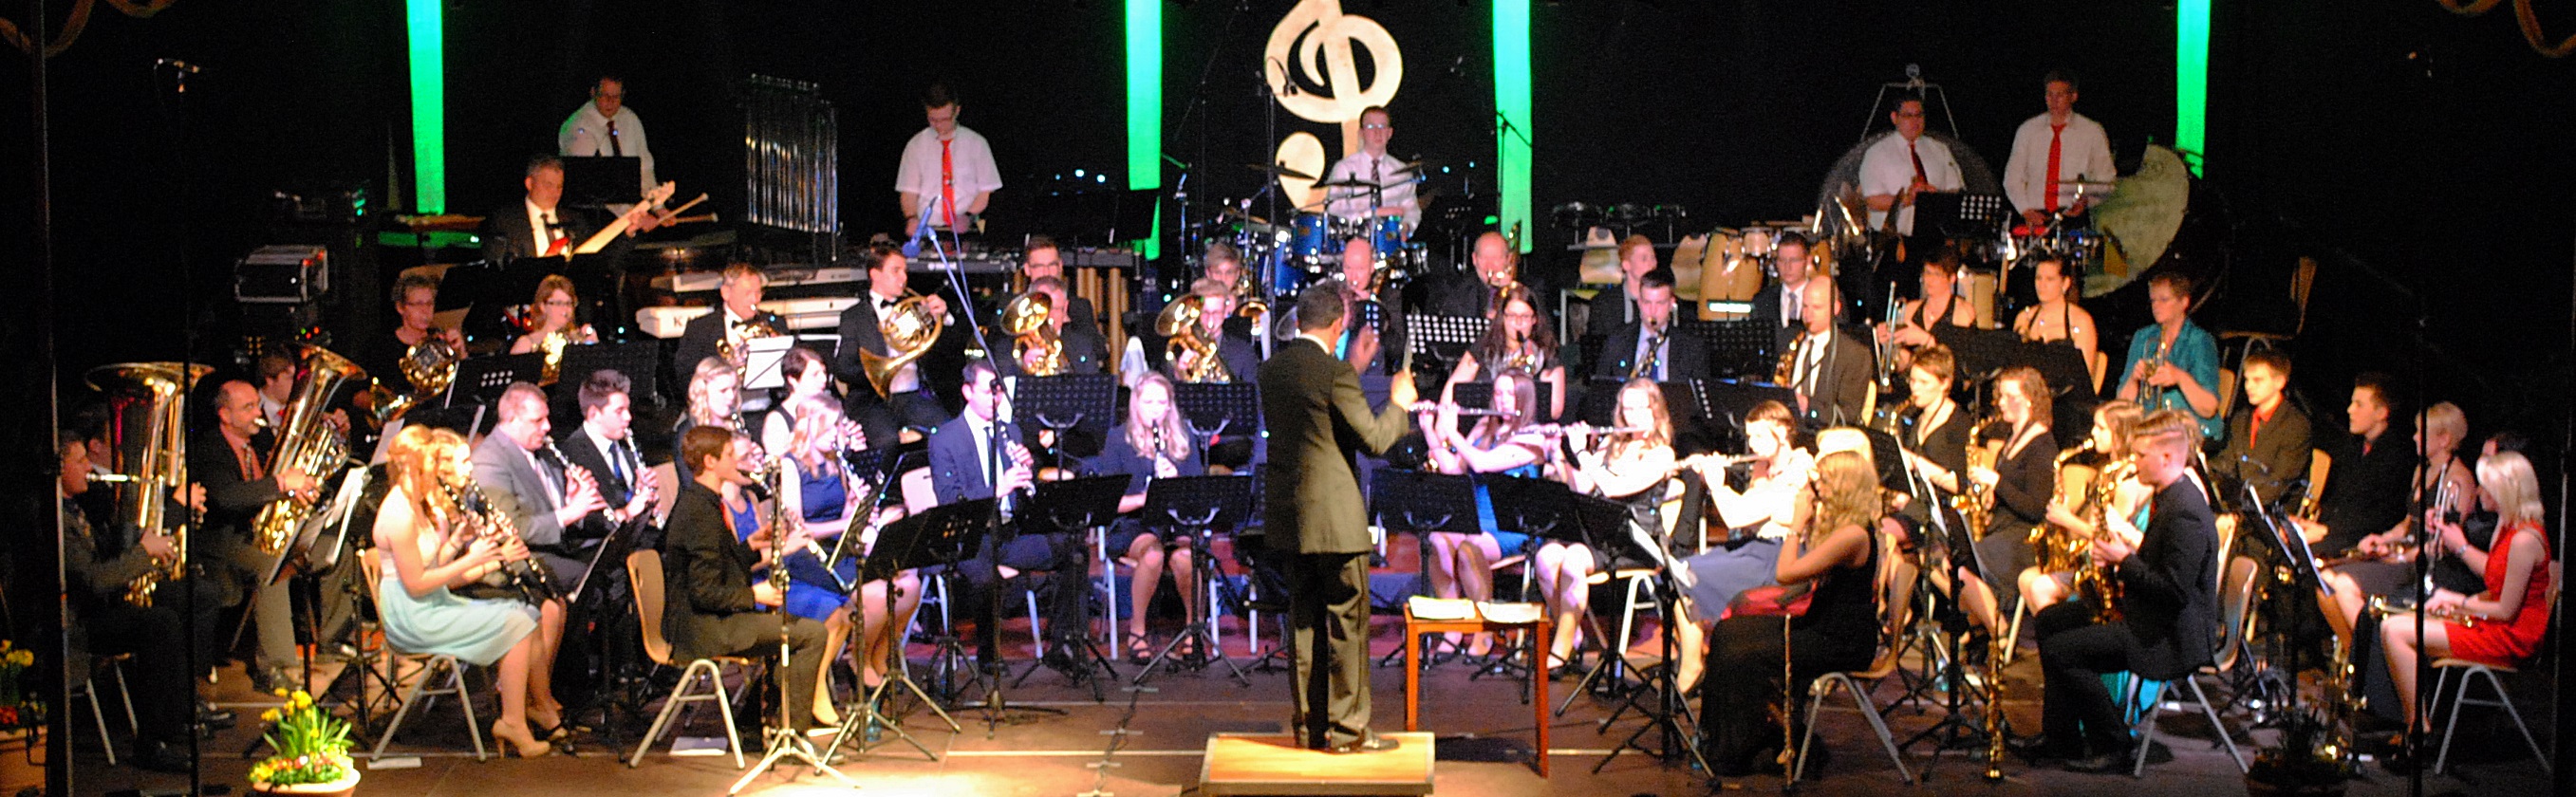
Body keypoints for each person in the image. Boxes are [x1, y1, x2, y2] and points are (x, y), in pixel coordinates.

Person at [1261, 280, 1419, 753]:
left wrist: (1355, 370)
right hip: (1336, 523)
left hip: (1292, 518)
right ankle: (1350, 731)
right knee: (1347, 627)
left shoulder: (1272, 370)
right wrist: (1399, 404)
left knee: (1303, 624)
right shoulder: (1335, 373)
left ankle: (1309, 728)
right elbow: (1374, 439)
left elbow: (1321, 425)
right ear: (1337, 326)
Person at [2016, 409, 2220, 772]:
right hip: (2146, 612)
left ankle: (2113, 743)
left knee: (2064, 652)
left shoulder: (2185, 511)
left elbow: (2172, 591)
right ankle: (2061, 738)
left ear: (2167, 457)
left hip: (2167, 634)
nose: (2134, 462)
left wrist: (2122, 560)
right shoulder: (2169, 496)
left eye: (2141, 455)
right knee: (2050, 621)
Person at [372, 425, 567, 756]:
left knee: (531, 615)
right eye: (432, 465)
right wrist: (472, 559)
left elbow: (433, 565)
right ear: (415, 467)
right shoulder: (398, 515)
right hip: (413, 616)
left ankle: (537, 708)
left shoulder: (417, 504)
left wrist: (457, 543)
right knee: (518, 623)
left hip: (432, 601)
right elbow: (416, 583)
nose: (438, 474)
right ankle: (513, 721)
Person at [1699, 448, 1884, 776]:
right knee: (1728, 632)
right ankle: (1718, 737)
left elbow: (1786, 573)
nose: (1815, 488)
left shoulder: (1853, 535)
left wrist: (1797, 524)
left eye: (1823, 481)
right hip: (1820, 624)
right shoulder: (1846, 527)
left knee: (1742, 655)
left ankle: (1744, 745)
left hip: (1840, 639)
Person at [2377, 451, 2552, 770]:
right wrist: (2456, 603)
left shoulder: (2525, 539)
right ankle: (2417, 725)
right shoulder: (2507, 527)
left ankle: (2418, 731)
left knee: (2396, 630)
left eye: (2486, 486)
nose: (2480, 491)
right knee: (2398, 622)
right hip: (2494, 624)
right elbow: (2496, 585)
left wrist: (2458, 601)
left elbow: (2506, 609)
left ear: (2504, 490)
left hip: (2511, 636)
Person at [60, 431, 224, 771]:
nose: (89, 467)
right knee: (159, 623)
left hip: (101, 607)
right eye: (80, 461)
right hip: (76, 623)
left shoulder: (79, 506)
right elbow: (94, 580)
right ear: (59, 467)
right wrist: (143, 554)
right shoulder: (57, 518)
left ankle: (180, 713)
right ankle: (153, 740)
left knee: (182, 603)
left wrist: (140, 540)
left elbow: (106, 550)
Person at [662, 426, 832, 732]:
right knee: (812, 634)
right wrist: (755, 595)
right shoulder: (699, 512)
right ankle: (791, 731)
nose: (737, 461)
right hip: (702, 627)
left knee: (793, 631)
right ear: (710, 462)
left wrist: (752, 544)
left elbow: (722, 564)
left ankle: (760, 724)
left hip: (712, 618)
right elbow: (704, 591)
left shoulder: (705, 503)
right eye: (730, 455)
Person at [928, 359, 1084, 666]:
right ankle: (988, 654)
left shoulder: (1010, 430)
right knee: (987, 579)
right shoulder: (945, 439)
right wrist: (998, 488)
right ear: (967, 392)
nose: (996, 398)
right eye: (989, 391)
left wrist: (1028, 472)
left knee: (1073, 551)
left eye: (999, 391)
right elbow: (948, 499)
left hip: (1009, 531)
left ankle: (1062, 644)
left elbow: (1022, 491)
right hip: (971, 536)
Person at [1674, 399, 1815, 695]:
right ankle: (1696, 661)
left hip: (1781, 556)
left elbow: (1738, 515)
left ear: (1783, 431)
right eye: (1750, 436)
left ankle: (1695, 667)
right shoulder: (1763, 466)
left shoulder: (1800, 467)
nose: (1752, 444)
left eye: (1760, 436)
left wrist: (1717, 485)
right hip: (1756, 547)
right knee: (1681, 573)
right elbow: (1746, 515)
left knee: (1691, 576)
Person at [1416, 368, 1557, 658]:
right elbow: (1454, 469)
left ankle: (1484, 629)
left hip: (1511, 525)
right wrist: (1430, 430)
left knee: (1471, 548)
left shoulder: (1535, 437)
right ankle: (1453, 626)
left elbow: (1482, 463)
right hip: (1476, 520)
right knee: (1438, 541)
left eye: (1510, 394)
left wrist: (1452, 431)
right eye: (1498, 393)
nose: (1502, 400)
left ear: (1524, 398)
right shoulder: (1483, 429)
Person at [2312, 399, 2471, 645]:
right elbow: (2408, 523)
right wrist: (2384, 538)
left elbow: (2446, 543)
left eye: (2422, 432)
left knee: (2343, 584)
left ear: (2444, 439)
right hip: (2405, 557)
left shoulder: (2459, 480)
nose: (2415, 438)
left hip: (2424, 567)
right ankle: (2355, 651)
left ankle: (2375, 651)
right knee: (2325, 581)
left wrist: (2404, 555)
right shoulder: (2422, 471)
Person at [193, 380, 318, 692]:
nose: (258, 413)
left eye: (257, 405)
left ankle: (334, 640)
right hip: (220, 540)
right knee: (272, 568)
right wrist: (282, 484)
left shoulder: (259, 442)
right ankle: (275, 667)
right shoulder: (210, 448)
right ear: (225, 415)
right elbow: (227, 497)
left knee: (330, 547)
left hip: (252, 533)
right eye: (248, 407)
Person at [1553, 378, 1680, 675]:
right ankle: (1572, 637)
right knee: (1548, 557)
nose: (1632, 416)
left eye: (1640, 408)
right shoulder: (1612, 444)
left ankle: (1560, 651)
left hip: (1635, 540)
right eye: (1626, 409)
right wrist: (1563, 453)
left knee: (1573, 559)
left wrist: (1584, 454)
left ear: (1655, 410)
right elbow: (1583, 488)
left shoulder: (1662, 454)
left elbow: (1613, 489)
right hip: (1603, 534)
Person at [1084, 373, 1208, 661]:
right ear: (1136, 404)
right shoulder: (1119, 439)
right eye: (1148, 402)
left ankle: (1193, 632)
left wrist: (1175, 483)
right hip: (1134, 524)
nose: (1154, 409)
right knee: (1152, 555)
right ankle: (1136, 632)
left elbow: (1199, 496)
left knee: (1186, 558)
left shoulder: (1184, 437)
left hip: (1176, 523)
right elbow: (1110, 503)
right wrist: (1148, 495)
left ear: (1169, 406)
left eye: (1161, 403)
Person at [768, 396, 873, 726]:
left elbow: (842, 514)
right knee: (851, 598)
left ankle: (840, 669)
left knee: (878, 583)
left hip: (834, 547)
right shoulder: (790, 465)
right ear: (808, 427)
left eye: (837, 427)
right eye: (828, 428)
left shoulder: (835, 462)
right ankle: (814, 684)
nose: (835, 435)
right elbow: (797, 526)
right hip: (803, 553)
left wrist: (856, 506)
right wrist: (845, 522)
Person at [470, 382, 609, 596]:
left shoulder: (541, 450)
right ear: (512, 420)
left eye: (546, 418)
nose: (547, 427)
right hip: (524, 555)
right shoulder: (489, 461)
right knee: (590, 580)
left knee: (618, 560)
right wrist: (568, 514)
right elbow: (512, 528)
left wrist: (569, 500)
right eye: (537, 421)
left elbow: (550, 510)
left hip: (558, 545)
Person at [2019, 400, 2146, 613]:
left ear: (2121, 434)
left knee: (2040, 587)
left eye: (2101, 428)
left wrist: (2068, 520)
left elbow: (2110, 537)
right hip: (2090, 560)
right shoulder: (2107, 470)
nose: (2093, 433)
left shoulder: (2129, 479)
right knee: (2026, 578)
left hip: (2111, 572)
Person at [833, 244, 957, 447]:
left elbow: (948, 352)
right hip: (872, 401)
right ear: (875, 274)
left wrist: (943, 318)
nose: (903, 278)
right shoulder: (853, 317)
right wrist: (876, 374)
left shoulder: (916, 308)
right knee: (887, 440)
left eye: (905, 271)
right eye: (896, 271)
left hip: (912, 396)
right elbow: (843, 368)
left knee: (949, 432)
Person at [1965, 366, 2060, 615]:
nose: (2001, 403)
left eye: (2010, 397)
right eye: (2001, 396)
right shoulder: (2012, 437)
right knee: (1954, 552)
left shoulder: (2042, 446)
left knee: (1966, 564)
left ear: (2030, 400)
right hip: (2004, 527)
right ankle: (1985, 622)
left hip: (2024, 538)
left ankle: (1999, 626)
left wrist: (1997, 482)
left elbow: (2036, 508)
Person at [2114, 271, 2223, 440]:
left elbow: (2208, 408)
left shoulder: (2199, 341)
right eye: (2153, 301)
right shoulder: (2143, 337)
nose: (2156, 306)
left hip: (2189, 432)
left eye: (2164, 300)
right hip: (2149, 428)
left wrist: (2179, 377)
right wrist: (2134, 379)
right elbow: (2122, 403)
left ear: (2184, 302)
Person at [2004, 70, 2116, 231]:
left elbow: (2106, 180)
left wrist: (2086, 201)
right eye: (2050, 95)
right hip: (2034, 217)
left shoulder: (2091, 132)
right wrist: (2025, 209)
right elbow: (2012, 178)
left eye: (2060, 95)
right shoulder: (2028, 130)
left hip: (2072, 217)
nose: (2054, 101)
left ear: (2073, 96)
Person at [557, 369, 659, 538]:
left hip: (635, 535)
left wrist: (641, 493)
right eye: (619, 411)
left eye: (627, 409)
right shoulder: (572, 453)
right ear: (594, 414)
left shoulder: (626, 444)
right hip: (599, 543)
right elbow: (585, 522)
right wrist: (627, 512)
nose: (628, 417)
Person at [1444, 284, 1568, 420]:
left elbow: (1555, 409)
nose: (1518, 322)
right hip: (1487, 423)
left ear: (1535, 319)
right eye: (1512, 316)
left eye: (1525, 316)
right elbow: (1453, 387)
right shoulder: (1485, 346)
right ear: (1503, 317)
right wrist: (1442, 424)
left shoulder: (1546, 350)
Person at [2211, 350, 2311, 509]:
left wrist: (2237, 510)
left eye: (2257, 380)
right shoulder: (2242, 419)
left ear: (2279, 382)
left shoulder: (2295, 426)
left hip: (2271, 511)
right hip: (2242, 502)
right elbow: (2228, 462)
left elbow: (2279, 482)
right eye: (2247, 380)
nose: (2248, 386)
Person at [897, 83, 999, 232]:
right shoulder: (916, 145)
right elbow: (908, 191)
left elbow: (986, 190)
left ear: (957, 111)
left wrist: (967, 216)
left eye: (945, 120)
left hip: (967, 228)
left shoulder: (976, 143)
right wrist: (911, 218)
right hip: (928, 229)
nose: (939, 125)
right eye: (933, 120)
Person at [674, 263, 786, 398]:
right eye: (747, 293)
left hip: (768, 405)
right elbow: (685, 378)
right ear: (726, 293)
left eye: (758, 292)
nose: (755, 299)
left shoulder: (775, 323)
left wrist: (784, 354)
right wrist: (725, 370)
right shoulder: (700, 328)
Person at [1860, 96, 1965, 238]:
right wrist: (1908, 199)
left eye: (1919, 115)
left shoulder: (1940, 149)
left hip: (1936, 236)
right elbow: (1871, 201)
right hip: (1893, 238)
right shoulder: (1876, 153)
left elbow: (1956, 190)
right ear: (1894, 117)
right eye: (1908, 116)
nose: (1915, 121)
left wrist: (1936, 197)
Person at [359, 273, 467, 397]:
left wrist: (461, 352)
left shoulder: (441, 343)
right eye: (418, 304)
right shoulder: (380, 347)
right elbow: (359, 394)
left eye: (429, 303)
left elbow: (465, 387)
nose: (425, 311)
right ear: (400, 308)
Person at [481, 156, 603, 264]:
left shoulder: (575, 220)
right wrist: (543, 265)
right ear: (529, 184)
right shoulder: (506, 222)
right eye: (548, 185)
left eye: (559, 186)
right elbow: (497, 267)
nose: (555, 192)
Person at [1780, 282, 1870, 426]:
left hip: (1827, 434)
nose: (1808, 314)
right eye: (1805, 306)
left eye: (1817, 307)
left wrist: (1807, 407)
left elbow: (1850, 414)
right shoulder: (1789, 341)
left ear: (1836, 308)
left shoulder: (1855, 354)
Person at [1593, 268, 1705, 383]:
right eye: (1647, 302)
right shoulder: (1617, 341)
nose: (1652, 311)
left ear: (1671, 304)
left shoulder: (1692, 348)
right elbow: (1601, 387)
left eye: (1660, 303)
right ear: (1639, 302)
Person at [1876, 250, 1981, 373]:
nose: (1930, 279)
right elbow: (1902, 364)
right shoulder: (1911, 309)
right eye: (1927, 273)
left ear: (1952, 278)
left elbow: (1961, 365)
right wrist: (1888, 343)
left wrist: (1926, 340)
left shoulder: (1962, 312)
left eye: (1937, 274)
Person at [2010, 256, 2104, 390]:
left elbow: (2083, 379)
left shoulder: (2081, 322)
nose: (2042, 285)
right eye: (2038, 278)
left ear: (2065, 283)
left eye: (2049, 279)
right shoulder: (2024, 318)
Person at [1320, 105, 1420, 231]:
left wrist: (1407, 227)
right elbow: (1334, 211)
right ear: (1361, 133)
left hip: (1390, 237)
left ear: (1390, 133)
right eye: (1371, 127)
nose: (1377, 132)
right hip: (1353, 236)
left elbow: (1411, 209)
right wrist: (1367, 216)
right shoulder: (1344, 168)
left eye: (1382, 127)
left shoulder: (1401, 171)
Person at [1895, 345, 1972, 502]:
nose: (1915, 388)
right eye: (1912, 381)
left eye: (1924, 382)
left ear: (1945, 384)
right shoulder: (1911, 415)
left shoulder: (1959, 423)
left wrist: (1916, 462)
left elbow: (1959, 484)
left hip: (1942, 504)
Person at [558, 75, 658, 195]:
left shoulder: (630, 119)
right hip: (594, 202)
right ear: (593, 93)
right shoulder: (578, 125)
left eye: (616, 96)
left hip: (631, 201)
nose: (611, 102)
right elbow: (584, 181)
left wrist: (654, 202)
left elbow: (646, 168)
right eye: (605, 96)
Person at [761, 346, 866, 460]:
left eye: (824, 372)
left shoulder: (830, 408)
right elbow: (778, 462)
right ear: (792, 379)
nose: (824, 379)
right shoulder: (776, 420)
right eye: (815, 374)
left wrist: (849, 444)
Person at [998, 275, 1110, 379]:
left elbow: (1092, 386)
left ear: (1065, 308)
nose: (1050, 316)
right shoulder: (1009, 348)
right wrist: (1024, 367)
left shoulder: (1081, 345)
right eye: (1043, 310)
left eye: (1056, 309)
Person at [672, 357, 742, 488]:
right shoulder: (687, 433)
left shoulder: (737, 424)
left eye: (734, 389)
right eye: (723, 390)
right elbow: (692, 486)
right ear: (703, 392)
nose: (731, 397)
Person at [1019, 234, 1103, 343]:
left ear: (1060, 266)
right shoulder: (1014, 306)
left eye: (1052, 265)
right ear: (1027, 269)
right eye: (1039, 266)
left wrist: (1067, 326)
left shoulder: (1079, 307)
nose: (1046, 272)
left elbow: (1096, 348)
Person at [1585, 235, 1666, 343]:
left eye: (1653, 258)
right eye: (1644, 259)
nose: (1652, 264)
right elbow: (1596, 345)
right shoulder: (1603, 303)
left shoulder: (1665, 301)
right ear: (1626, 265)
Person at [1425, 231, 1521, 319]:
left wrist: (1511, 292)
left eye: (1496, 258)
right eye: (1484, 258)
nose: (1489, 265)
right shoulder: (1458, 292)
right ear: (1474, 259)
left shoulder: (1524, 289)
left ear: (1508, 259)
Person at [507, 274, 602, 362]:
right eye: (559, 303)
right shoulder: (527, 344)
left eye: (569, 303)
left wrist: (593, 348)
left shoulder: (579, 340)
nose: (566, 309)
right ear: (543, 306)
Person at [1747, 232, 1820, 331]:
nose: (1787, 267)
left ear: (1807, 261)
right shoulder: (1762, 301)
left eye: (1794, 260)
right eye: (1782, 260)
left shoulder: (1824, 298)